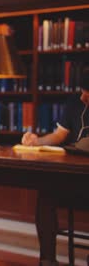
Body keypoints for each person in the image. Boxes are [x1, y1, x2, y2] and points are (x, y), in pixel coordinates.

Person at [21, 66, 89, 266]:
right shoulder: (75, 103)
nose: (83, 97)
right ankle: (47, 260)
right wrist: (37, 141)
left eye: (88, 93)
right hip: (74, 177)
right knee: (46, 194)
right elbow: (60, 135)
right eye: (83, 91)